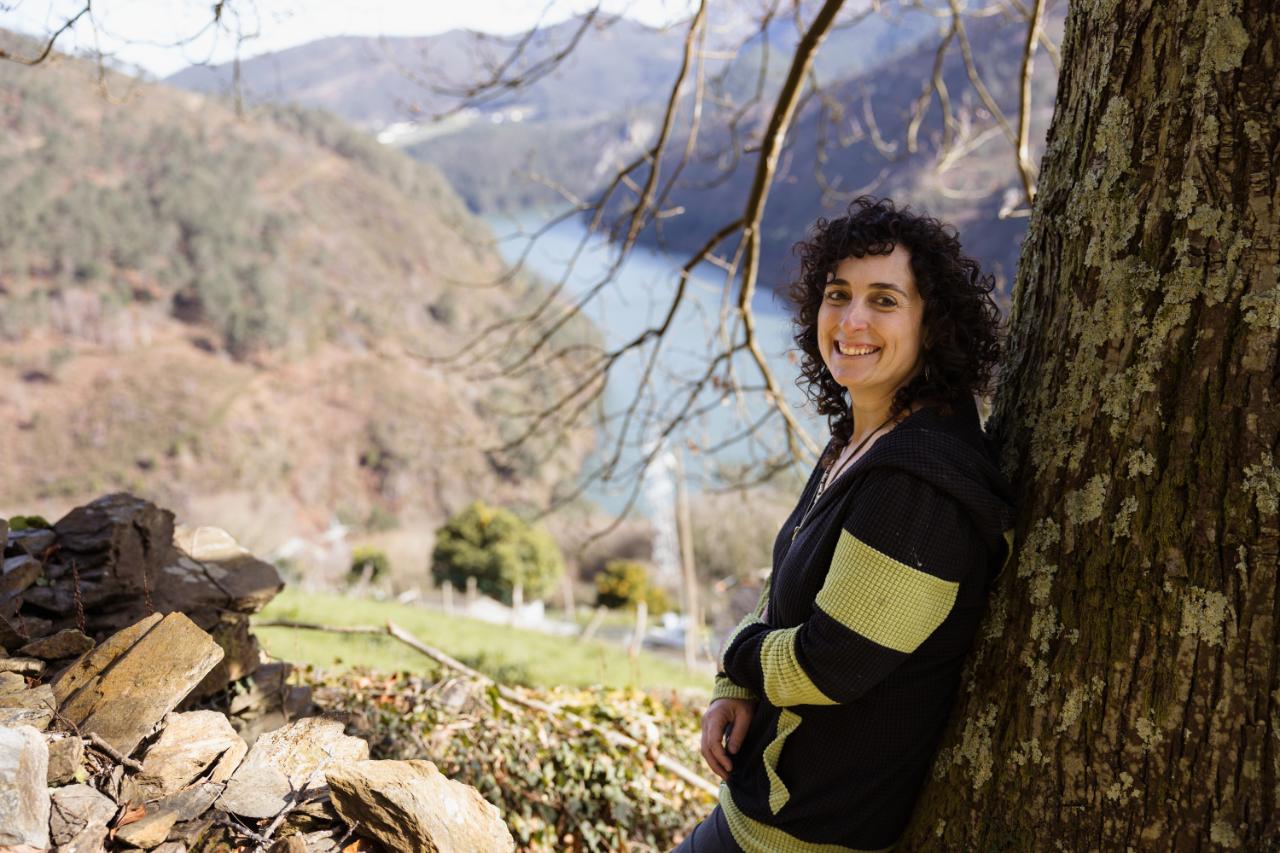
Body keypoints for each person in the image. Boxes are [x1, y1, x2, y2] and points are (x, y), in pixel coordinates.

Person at [675, 197, 1016, 853]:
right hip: (759, 816)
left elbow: (827, 666)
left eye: (884, 300)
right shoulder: (862, 438)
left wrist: (739, 655)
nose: (852, 319)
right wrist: (735, 685)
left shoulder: (917, 485)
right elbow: (786, 584)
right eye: (839, 294)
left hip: (803, 837)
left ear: (932, 324)